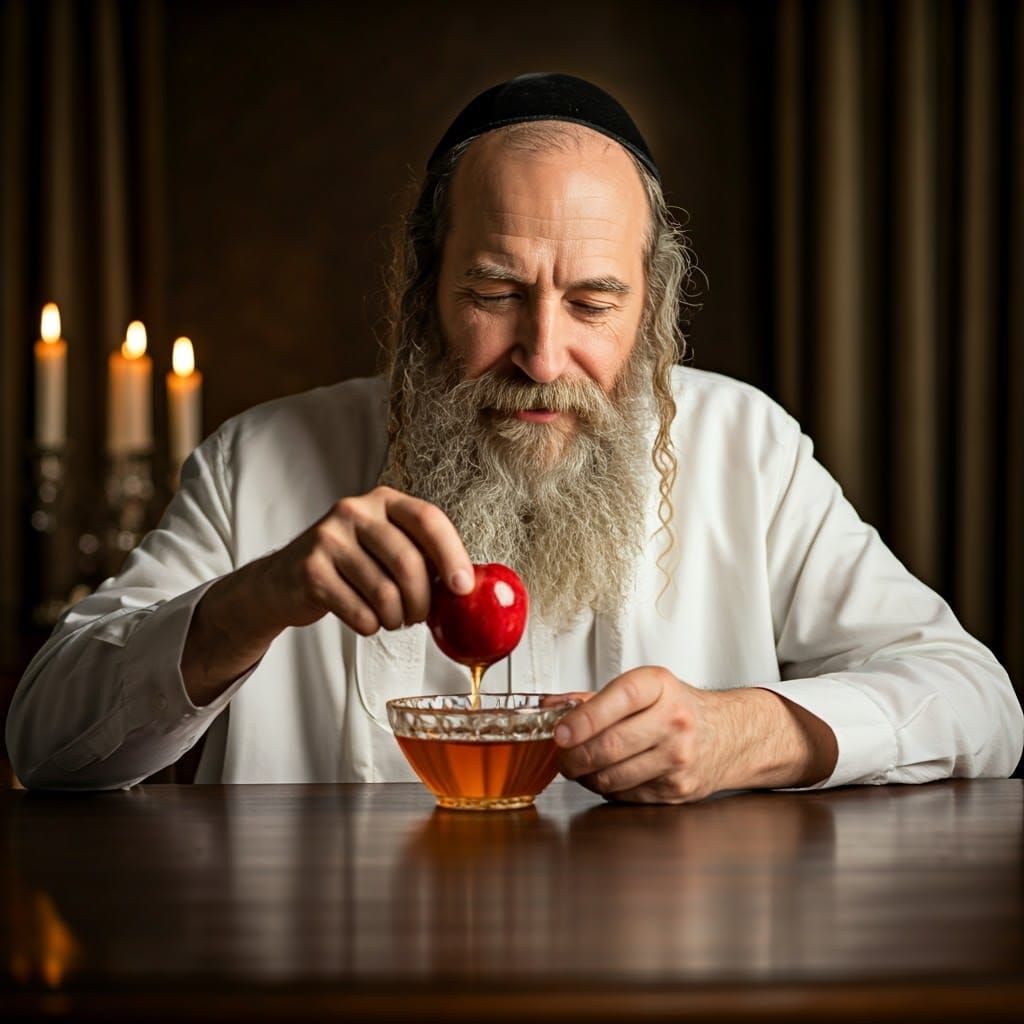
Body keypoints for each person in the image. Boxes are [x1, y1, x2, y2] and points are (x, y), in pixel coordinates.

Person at [7, 74, 1022, 797]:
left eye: (592, 302)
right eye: (495, 293)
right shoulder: (257, 461)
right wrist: (256, 599)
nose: (542, 355)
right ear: (426, 297)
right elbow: (45, 738)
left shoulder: (745, 449)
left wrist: (756, 731)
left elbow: (981, 702)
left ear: (651, 311)